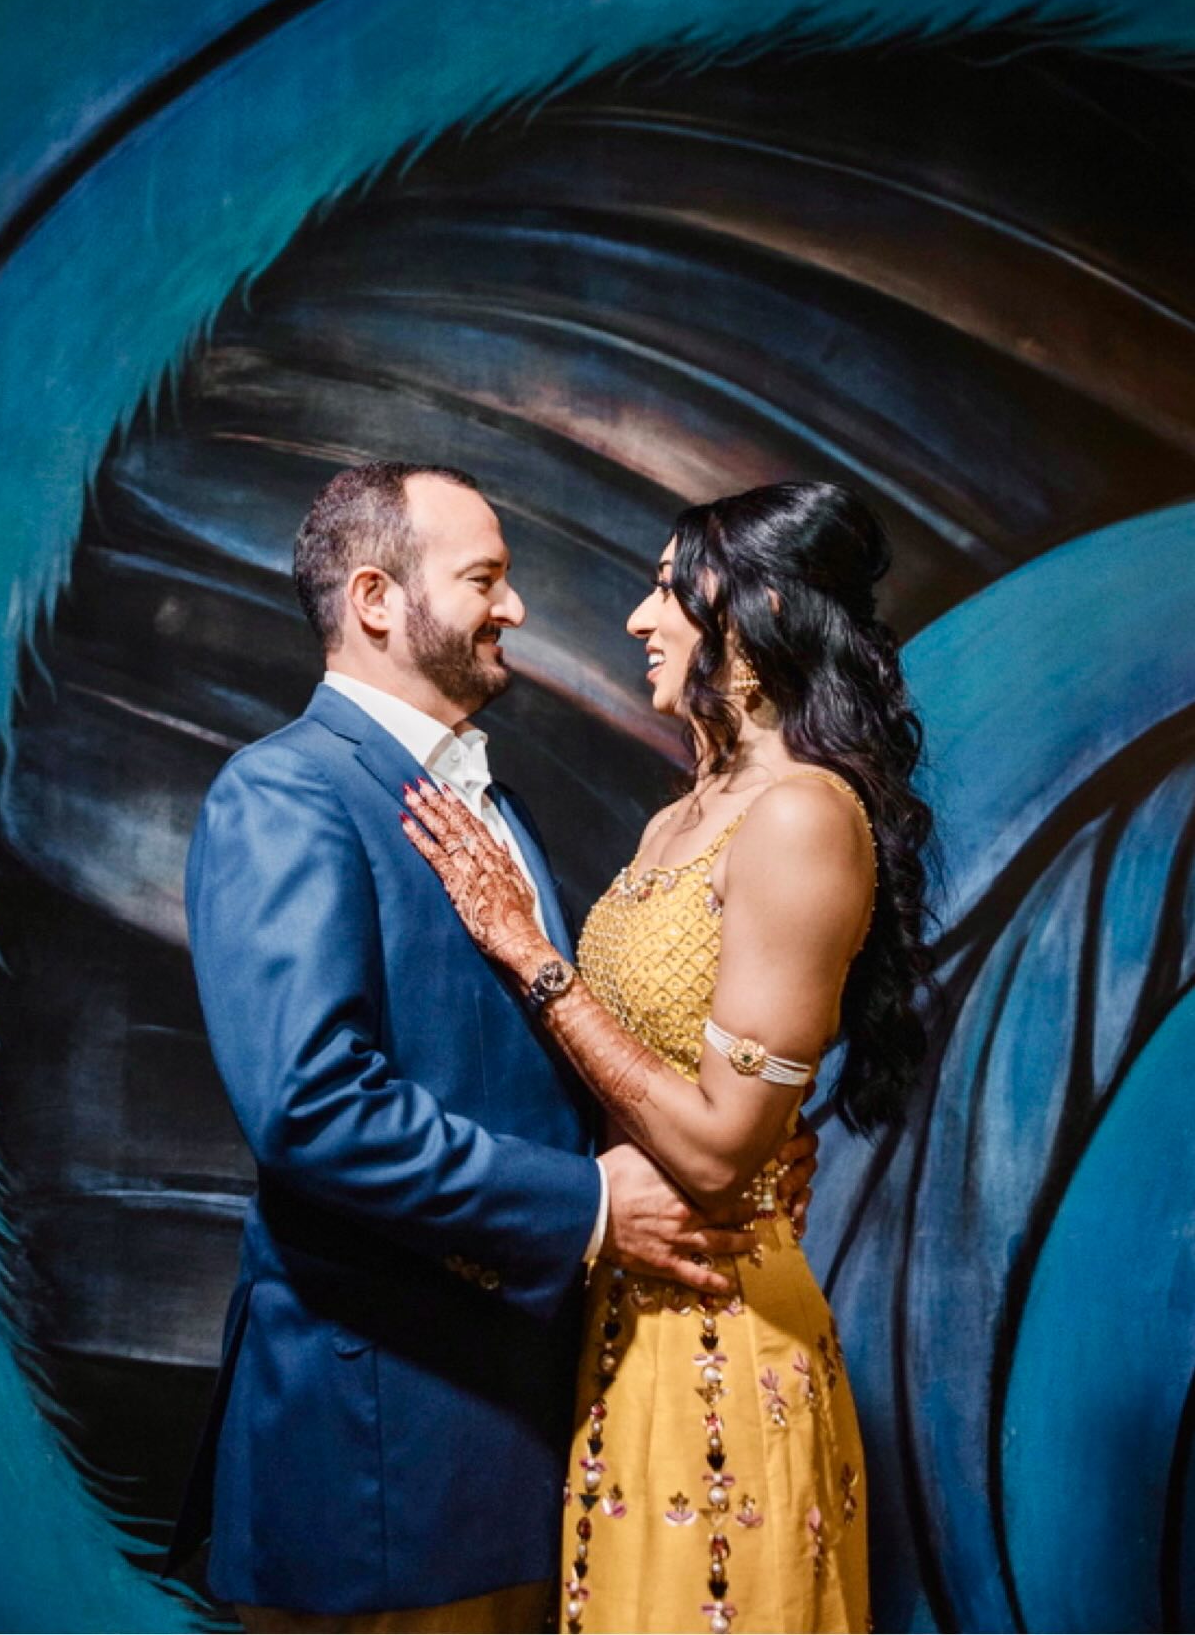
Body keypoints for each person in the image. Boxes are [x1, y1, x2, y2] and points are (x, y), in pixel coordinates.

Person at [164, 461, 818, 1632]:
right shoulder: (284, 795)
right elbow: (314, 1109)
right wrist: (592, 1203)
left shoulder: (493, 806)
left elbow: (530, 1064)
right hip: (384, 1465)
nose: (517, 607)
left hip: (534, 1434)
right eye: (486, 579)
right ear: (375, 600)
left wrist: (729, 1141)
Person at [405, 480, 934, 1635]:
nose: (640, 618)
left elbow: (715, 1146)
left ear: (759, 611)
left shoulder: (801, 817)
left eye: (666, 588)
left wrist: (529, 955)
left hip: (720, 1335)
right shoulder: (681, 814)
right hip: (623, 1322)